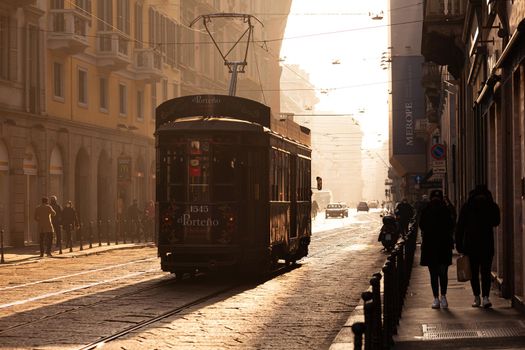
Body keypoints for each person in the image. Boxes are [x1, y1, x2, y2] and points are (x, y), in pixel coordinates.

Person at [455, 184, 501, 308]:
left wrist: (459, 245)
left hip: (470, 245)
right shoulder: (490, 206)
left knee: (474, 273)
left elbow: (460, 226)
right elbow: (496, 221)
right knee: (486, 272)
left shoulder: (467, 206)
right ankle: (485, 297)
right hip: (487, 244)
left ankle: (476, 297)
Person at [419, 189, 455, 309]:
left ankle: (437, 298)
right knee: (442, 273)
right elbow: (452, 224)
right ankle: (441, 297)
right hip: (441, 246)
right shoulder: (445, 210)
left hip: (432, 246)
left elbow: (421, 225)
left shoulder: (427, 210)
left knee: (435, 274)